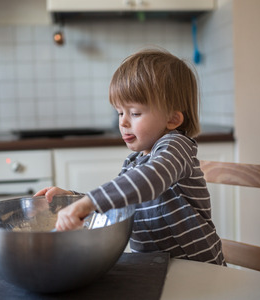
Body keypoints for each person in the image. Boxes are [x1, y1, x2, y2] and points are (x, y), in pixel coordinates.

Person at [35, 48, 226, 265]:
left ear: (172, 119)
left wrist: (89, 202)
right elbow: (117, 202)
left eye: (135, 113)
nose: (123, 122)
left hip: (197, 271)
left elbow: (152, 178)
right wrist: (75, 200)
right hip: (155, 269)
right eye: (119, 112)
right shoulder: (133, 163)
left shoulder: (176, 146)